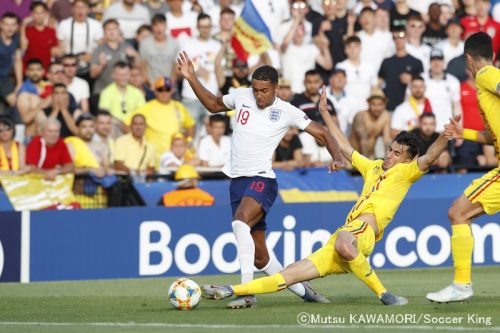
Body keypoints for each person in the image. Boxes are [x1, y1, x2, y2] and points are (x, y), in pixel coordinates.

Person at [201, 87, 452, 307]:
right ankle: (233, 290)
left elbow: (429, 157)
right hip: (342, 235)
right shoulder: (373, 167)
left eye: (397, 153)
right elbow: (344, 146)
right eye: (390, 149)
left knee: (344, 241)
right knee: (287, 276)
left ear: (407, 159)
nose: (389, 155)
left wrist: (445, 136)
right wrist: (325, 113)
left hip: (362, 233)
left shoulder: (407, 173)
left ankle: (385, 294)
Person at [177, 51, 344, 308]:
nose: (258, 95)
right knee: (260, 257)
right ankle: (304, 291)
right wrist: (191, 77)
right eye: (255, 89)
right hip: (237, 182)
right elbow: (212, 104)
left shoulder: (286, 111)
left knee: (240, 223)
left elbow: (321, 132)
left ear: (276, 88)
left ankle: (246, 293)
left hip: (262, 179)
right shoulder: (242, 96)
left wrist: (336, 156)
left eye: (264, 91)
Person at [426, 32, 500, 303]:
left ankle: (461, 284)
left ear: (468, 59)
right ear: (491, 53)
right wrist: (463, 133)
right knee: (459, 214)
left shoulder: (485, 75)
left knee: (458, 212)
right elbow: (492, 136)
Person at [127, 77, 195, 165]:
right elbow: (127, 124)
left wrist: (189, 141)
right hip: (154, 159)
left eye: (167, 89)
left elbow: (190, 125)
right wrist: (137, 143)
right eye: (160, 89)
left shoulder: (179, 107)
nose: (164, 93)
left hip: (177, 159)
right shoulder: (146, 107)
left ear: (172, 90)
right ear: (155, 91)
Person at [378, 27, 423, 112]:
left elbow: (423, 83)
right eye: (394, 37)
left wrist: (411, 79)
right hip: (389, 107)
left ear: (406, 38)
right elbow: (379, 83)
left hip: (410, 108)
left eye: (401, 36)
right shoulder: (386, 62)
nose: (398, 40)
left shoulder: (416, 62)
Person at [98, 61, 145, 138]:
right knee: (110, 125)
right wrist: (122, 125)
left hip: (133, 126)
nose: (123, 78)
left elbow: (142, 113)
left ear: (130, 75)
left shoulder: (137, 93)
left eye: (125, 75)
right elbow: (105, 115)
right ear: (113, 75)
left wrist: (131, 126)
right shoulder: (106, 93)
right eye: (119, 75)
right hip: (115, 127)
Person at [349, 89, 391, 159]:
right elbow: (363, 140)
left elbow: (387, 140)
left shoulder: (385, 117)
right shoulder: (360, 116)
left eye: (380, 104)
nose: (377, 108)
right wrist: (365, 164)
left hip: (370, 156)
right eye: (373, 104)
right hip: (352, 156)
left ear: (384, 105)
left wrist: (389, 160)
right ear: (368, 104)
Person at [114, 113, 155, 177]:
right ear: (131, 126)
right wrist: (135, 173)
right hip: (125, 181)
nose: (138, 127)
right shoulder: (121, 141)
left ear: (145, 126)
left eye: (141, 124)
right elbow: (118, 165)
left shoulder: (151, 146)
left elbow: (151, 168)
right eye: (135, 124)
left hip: (143, 182)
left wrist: (141, 174)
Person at [0, 13, 22, 116]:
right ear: (1, 25)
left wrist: (19, 82)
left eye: (13, 25)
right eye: (7, 24)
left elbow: (17, 60)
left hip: (5, 79)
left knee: (16, 104)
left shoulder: (16, 38)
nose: (10, 28)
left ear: (17, 26)